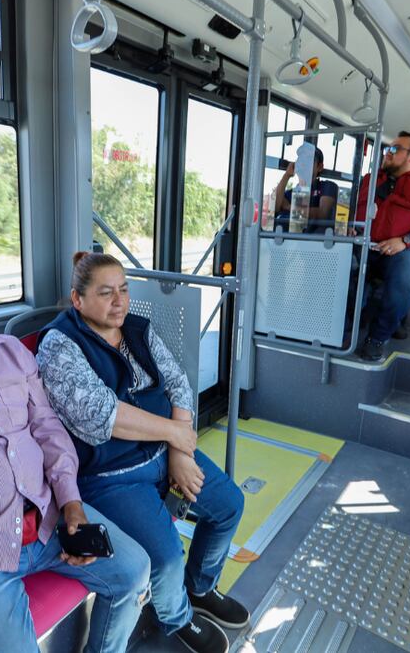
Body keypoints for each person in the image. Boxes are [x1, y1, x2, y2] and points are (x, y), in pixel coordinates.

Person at [0, 246, 150, 653]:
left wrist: (71, 501)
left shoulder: (13, 352)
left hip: (49, 522)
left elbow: (49, 429)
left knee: (134, 571)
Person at [36, 252, 246, 653]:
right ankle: (177, 617)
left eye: (124, 290)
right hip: (111, 477)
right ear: (77, 300)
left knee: (229, 505)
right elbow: (102, 415)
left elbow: (179, 385)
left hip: (165, 454)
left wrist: (180, 453)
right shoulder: (59, 346)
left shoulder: (137, 330)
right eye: (105, 293)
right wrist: (178, 436)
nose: (120, 301)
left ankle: (199, 587)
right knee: (166, 560)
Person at [354, 131, 410, 360]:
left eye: (394, 149)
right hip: (360, 244)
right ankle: (340, 327)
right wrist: (349, 226)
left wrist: (406, 241)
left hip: (398, 251)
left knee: (409, 276)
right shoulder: (369, 179)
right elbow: (350, 207)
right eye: (387, 149)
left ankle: (377, 337)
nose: (388, 153)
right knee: (334, 261)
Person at [273, 147, 339, 234]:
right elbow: (274, 208)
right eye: (300, 160)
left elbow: (322, 214)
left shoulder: (328, 186)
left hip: (315, 243)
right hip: (285, 242)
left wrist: (289, 207)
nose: (303, 164)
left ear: (319, 167)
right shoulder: (290, 193)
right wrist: (287, 175)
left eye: (308, 160)